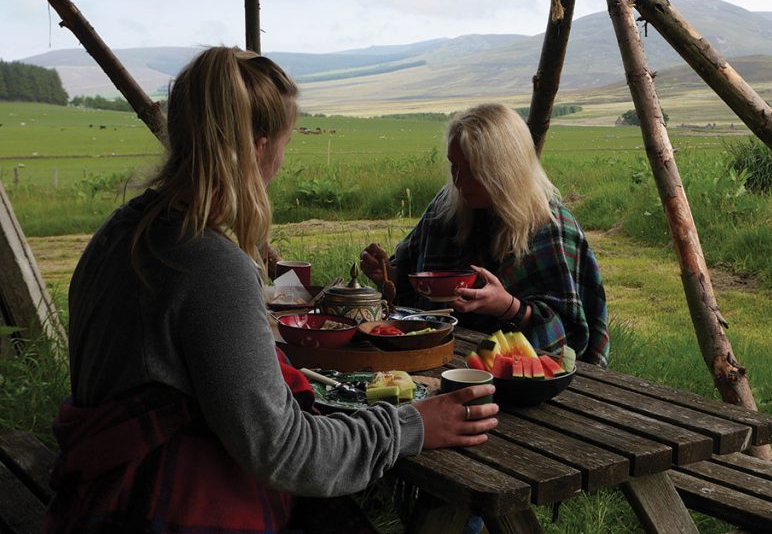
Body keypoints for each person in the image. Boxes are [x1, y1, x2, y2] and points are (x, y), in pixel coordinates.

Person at [46, 47, 498, 533]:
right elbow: (285, 451)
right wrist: (413, 426)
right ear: (260, 146)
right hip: (158, 508)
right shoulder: (208, 264)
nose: (282, 160)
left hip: (99, 492)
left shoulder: (123, 232)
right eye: (285, 141)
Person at [361, 103, 609, 366]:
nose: (458, 181)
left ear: (504, 170)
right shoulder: (446, 207)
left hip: (520, 375)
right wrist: (388, 275)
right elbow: (412, 296)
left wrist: (509, 307)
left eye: (473, 171)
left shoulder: (550, 226)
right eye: (454, 166)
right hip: (434, 357)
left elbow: (570, 342)